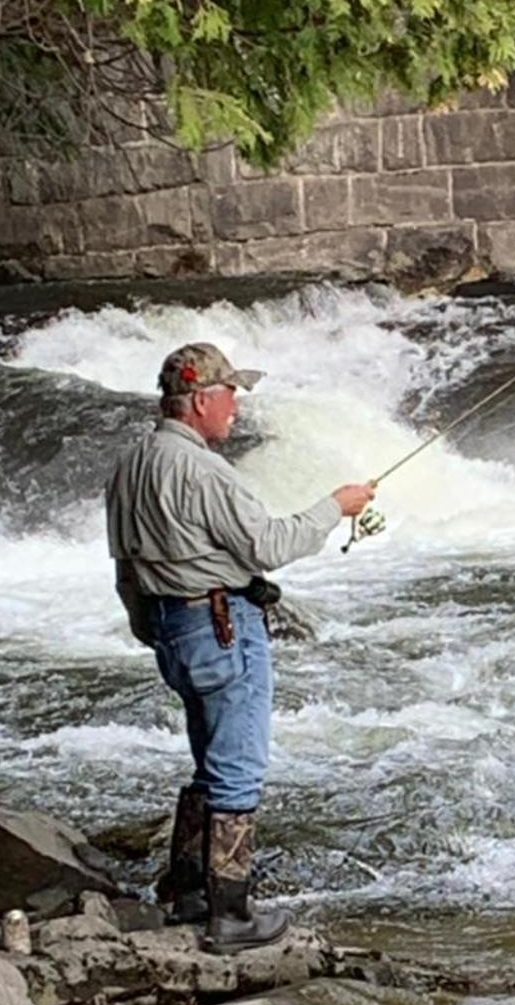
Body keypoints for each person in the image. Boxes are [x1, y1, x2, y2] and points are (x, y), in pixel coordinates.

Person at [106, 342, 375, 949]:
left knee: (209, 761)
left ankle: (187, 894)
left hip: (171, 629)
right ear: (201, 400)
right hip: (224, 626)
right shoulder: (204, 471)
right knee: (238, 770)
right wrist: (338, 505)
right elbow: (268, 547)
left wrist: (151, 630)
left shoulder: (129, 463)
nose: (237, 409)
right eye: (231, 396)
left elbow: (123, 563)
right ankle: (232, 916)